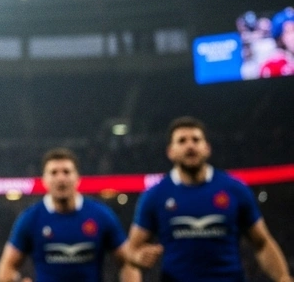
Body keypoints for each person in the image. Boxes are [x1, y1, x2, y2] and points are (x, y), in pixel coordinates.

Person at [122, 117, 291, 282]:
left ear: (207, 148)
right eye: (182, 141)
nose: (190, 145)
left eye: (196, 140)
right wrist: (136, 257)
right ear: (170, 152)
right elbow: (132, 249)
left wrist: (283, 277)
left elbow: (262, 243)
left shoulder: (235, 190)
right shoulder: (154, 196)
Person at [0, 149, 156, 282]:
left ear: (77, 178)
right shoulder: (30, 218)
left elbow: (127, 262)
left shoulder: (101, 215)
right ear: (44, 180)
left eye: (66, 172)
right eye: (54, 172)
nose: (61, 178)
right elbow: (6, 267)